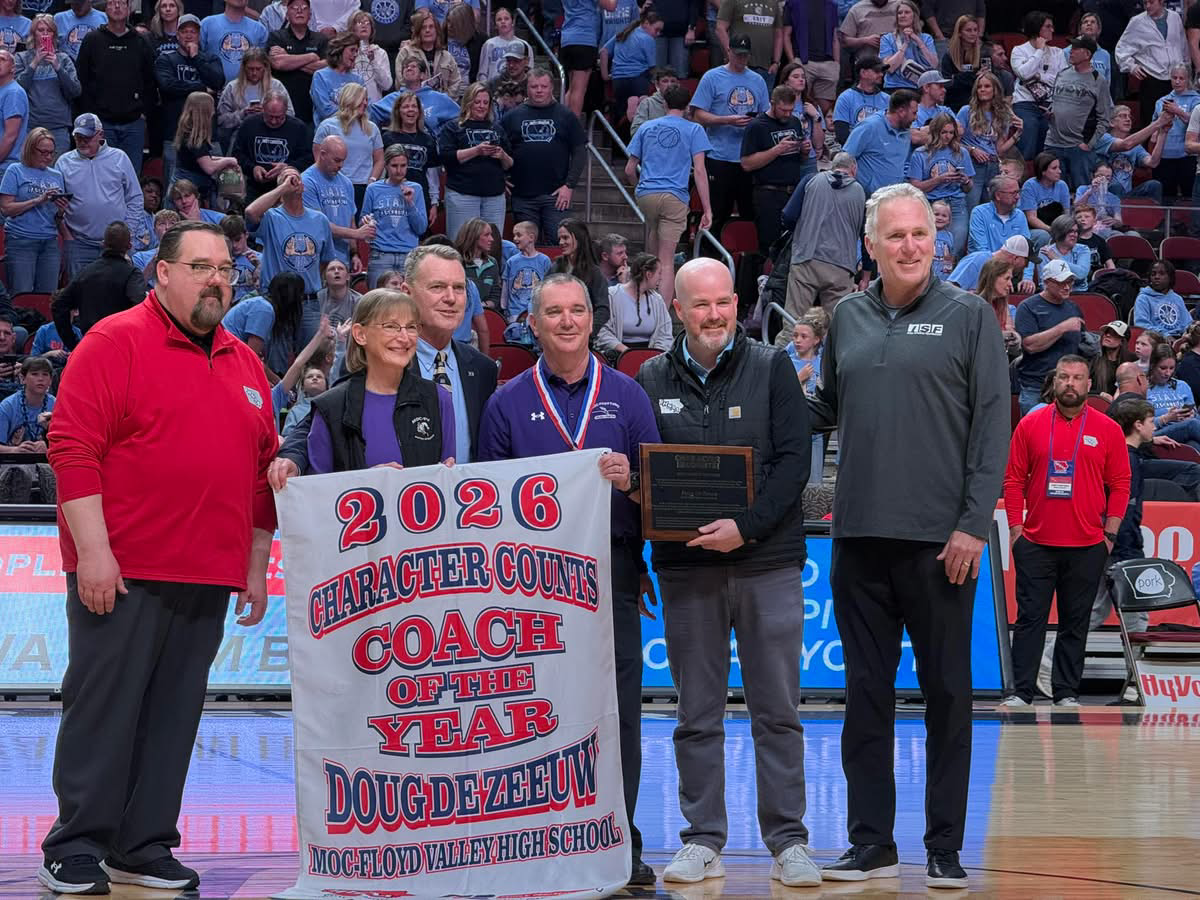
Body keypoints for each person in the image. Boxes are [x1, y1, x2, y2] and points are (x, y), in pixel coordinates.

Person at [38, 220, 278, 897]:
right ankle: (75, 844)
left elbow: (261, 474)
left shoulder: (245, 363)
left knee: (174, 716)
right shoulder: (114, 341)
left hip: (208, 571)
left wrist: (255, 565)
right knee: (104, 708)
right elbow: (72, 448)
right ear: (163, 273)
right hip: (124, 568)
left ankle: (141, 844)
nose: (216, 280)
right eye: (201, 267)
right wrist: (94, 553)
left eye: (225, 269)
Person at [807, 183, 1008, 889]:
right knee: (865, 697)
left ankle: (945, 847)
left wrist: (972, 526)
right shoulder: (848, 317)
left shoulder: (970, 316)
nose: (910, 245)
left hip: (941, 545)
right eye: (895, 235)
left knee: (948, 697)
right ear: (871, 246)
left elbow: (993, 427)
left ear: (936, 240)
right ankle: (871, 844)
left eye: (920, 233)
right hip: (858, 537)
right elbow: (824, 407)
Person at [633, 256, 816, 888]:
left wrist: (748, 526)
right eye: (700, 305)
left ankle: (788, 841)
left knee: (778, 711)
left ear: (737, 304)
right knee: (695, 714)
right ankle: (703, 839)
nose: (714, 315)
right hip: (687, 571)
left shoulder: (773, 367)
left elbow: (794, 465)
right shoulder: (650, 376)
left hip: (768, 563)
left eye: (723, 303)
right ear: (678, 310)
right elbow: (645, 470)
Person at [476, 271, 660, 887]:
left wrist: (631, 481)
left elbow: (657, 489)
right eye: (553, 312)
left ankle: (621, 840)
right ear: (532, 324)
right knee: (537, 713)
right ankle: (536, 841)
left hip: (613, 573)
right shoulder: (506, 401)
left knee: (619, 713)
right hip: (530, 586)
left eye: (577, 310)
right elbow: (487, 504)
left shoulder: (628, 395)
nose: (567, 321)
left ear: (592, 318)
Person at [273, 242, 497, 477]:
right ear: (407, 292)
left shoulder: (483, 368)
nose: (451, 298)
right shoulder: (377, 359)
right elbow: (329, 414)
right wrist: (293, 457)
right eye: (437, 287)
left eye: (459, 288)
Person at [1002, 354, 1131, 708]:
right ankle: (1021, 691)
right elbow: (1013, 480)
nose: (1070, 383)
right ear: (1054, 382)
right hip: (1036, 542)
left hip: (1088, 543)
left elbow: (1121, 484)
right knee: (1030, 619)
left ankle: (1066, 692)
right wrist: (1015, 530)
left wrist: (1109, 534)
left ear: (1089, 384)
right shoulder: (1031, 423)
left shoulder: (1108, 429)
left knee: (1075, 622)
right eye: (1064, 377)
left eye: (1077, 378)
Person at [303, 288, 455, 471]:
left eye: (411, 327)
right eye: (391, 326)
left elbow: (447, 478)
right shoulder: (330, 407)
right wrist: (368, 483)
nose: (404, 338)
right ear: (360, 334)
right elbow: (317, 485)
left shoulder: (438, 398)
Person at [626, 83, 712, 307]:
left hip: (647, 194)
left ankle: (642, 304)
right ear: (687, 106)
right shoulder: (695, 130)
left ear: (664, 103)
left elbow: (629, 169)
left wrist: (639, 189)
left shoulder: (646, 127)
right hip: (674, 196)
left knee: (652, 247)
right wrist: (707, 209)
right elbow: (700, 171)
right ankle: (661, 315)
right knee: (665, 262)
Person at [246, 165, 336, 347]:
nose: (292, 181)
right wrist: (283, 188)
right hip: (277, 300)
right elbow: (250, 212)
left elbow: (325, 260)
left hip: (308, 301)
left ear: (304, 186)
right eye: (286, 178)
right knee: (277, 357)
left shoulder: (320, 220)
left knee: (313, 357)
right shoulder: (271, 217)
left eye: (296, 177)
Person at [689, 33, 768, 237]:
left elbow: (765, 115)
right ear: (728, 51)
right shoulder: (712, 77)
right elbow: (697, 115)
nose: (741, 58)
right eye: (738, 54)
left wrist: (754, 122)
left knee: (750, 213)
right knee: (717, 213)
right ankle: (709, 251)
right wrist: (726, 120)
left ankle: (747, 255)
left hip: (748, 156)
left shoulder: (758, 80)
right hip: (719, 155)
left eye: (745, 55)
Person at [776, 151, 864, 331]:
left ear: (832, 166)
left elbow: (788, 216)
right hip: (842, 266)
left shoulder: (810, 180)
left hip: (807, 259)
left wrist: (802, 232)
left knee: (794, 324)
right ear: (854, 169)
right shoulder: (862, 192)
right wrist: (867, 273)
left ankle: (787, 349)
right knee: (835, 329)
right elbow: (866, 234)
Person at [501, 68, 586, 247]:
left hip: (556, 195)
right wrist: (500, 177)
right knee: (525, 247)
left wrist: (570, 185)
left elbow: (580, 151)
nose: (539, 90)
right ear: (527, 88)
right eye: (534, 86)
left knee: (560, 245)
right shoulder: (511, 117)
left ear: (552, 88)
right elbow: (498, 149)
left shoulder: (566, 116)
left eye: (543, 86)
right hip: (522, 195)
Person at [75, 0, 153, 174]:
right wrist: (91, 114)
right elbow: (82, 80)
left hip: (134, 123)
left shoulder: (141, 41)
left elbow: (150, 81)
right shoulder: (92, 40)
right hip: (102, 124)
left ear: (129, 8)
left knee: (131, 176)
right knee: (102, 176)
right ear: (106, 8)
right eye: (112, 2)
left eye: (121, 3)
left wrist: (143, 113)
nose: (117, 7)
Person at [740, 85, 814, 254]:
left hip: (793, 191)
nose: (787, 114)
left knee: (793, 244)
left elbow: (801, 160)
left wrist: (804, 151)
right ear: (772, 104)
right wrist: (777, 150)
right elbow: (746, 164)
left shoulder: (795, 122)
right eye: (783, 110)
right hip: (768, 193)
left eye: (791, 110)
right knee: (770, 245)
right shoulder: (757, 126)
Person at [51, 221, 148, 348]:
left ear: (103, 244)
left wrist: (72, 343)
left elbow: (59, 305)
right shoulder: (132, 274)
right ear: (129, 246)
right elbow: (140, 308)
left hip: (91, 344)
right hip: (121, 344)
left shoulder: (85, 272)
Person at [155, 14, 225, 183]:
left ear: (199, 35)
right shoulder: (166, 59)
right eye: (184, 31)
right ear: (177, 35)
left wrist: (196, 57)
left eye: (193, 32)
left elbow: (217, 82)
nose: (188, 35)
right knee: (175, 187)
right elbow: (167, 86)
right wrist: (201, 88)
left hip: (209, 137)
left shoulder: (210, 59)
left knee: (217, 186)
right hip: (175, 136)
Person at [437, 82, 512, 241]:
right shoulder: (453, 127)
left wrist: (502, 155)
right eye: (477, 102)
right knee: (461, 242)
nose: (481, 106)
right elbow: (446, 157)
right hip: (462, 194)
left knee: (492, 244)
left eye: (485, 102)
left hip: (494, 196)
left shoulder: (497, 129)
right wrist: (476, 151)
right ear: (468, 102)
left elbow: (510, 164)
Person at [0, 128, 69, 292]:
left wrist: (61, 210)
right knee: (21, 294)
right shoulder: (15, 170)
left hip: (50, 241)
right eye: (43, 152)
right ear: (30, 149)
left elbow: (57, 217)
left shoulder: (56, 175)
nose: (48, 157)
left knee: (48, 296)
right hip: (21, 240)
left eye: (51, 153)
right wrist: (38, 200)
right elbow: (6, 209)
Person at [1014, 258, 1086, 415]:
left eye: (1070, 282)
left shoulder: (1073, 308)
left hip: (1067, 386)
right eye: (1061, 282)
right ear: (1047, 282)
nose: (1067, 287)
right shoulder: (1028, 307)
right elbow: (1030, 345)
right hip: (1036, 386)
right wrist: (1062, 328)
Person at [1045, 36, 1113, 192]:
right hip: (1053, 143)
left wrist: (1089, 144)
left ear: (1087, 54)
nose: (1071, 51)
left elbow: (1104, 118)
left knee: (1082, 191)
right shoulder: (1062, 73)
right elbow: (1055, 102)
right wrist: (1050, 112)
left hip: (1078, 146)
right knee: (1053, 191)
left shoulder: (1098, 80)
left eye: (1076, 49)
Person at [302, 134, 373, 270]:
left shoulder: (346, 183)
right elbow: (318, 224)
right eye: (337, 160)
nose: (341, 165)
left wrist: (354, 253)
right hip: (318, 259)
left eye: (343, 161)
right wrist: (357, 234)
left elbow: (350, 221)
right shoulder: (307, 182)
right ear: (323, 155)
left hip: (343, 259)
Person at [360, 144, 427, 285]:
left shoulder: (416, 189)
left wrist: (410, 203)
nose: (399, 170)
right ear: (386, 166)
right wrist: (365, 221)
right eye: (394, 166)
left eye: (403, 166)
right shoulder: (373, 189)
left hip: (408, 255)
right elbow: (362, 221)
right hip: (381, 254)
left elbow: (421, 228)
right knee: (378, 298)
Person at [906, 110, 972, 254]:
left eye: (951, 132)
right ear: (935, 132)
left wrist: (965, 180)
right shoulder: (920, 154)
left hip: (956, 204)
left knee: (954, 250)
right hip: (930, 204)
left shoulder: (962, 153)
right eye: (944, 132)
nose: (948, 136)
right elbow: (915, 187)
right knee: (930, 250)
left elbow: (969, 188)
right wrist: (939, 180)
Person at [14, 15, 81, 157]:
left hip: (58, 127)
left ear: (54, 35)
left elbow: (75, 91)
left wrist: (58, 67)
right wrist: (34, 63)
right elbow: (16, 91)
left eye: (49, 30)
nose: (45, 33)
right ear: (33, 34)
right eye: (40, 30)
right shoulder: (21, 58)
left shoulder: (63, 58)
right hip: (30, 127)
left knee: (56, 168)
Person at [1115, 0, 1187, 129]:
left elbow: (1183, 45)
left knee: (1177, 121)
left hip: (1175, 78)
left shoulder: (1175, 17)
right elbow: (1121, 49)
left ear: (1161, 2)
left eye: (1151, 2)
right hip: (1152, 77)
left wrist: (1186, 68)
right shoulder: (1137, 22)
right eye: (1145, 3)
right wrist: (1132, 66)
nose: (1147, 6)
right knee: (1151, 122)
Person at [231, 89, 313, 201]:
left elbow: (309, 159)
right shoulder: (249, 124)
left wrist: (288, 167)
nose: (274, 121)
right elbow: (237, 154)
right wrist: (252, 168)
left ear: (285, 111)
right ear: (263, 109)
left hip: (287, 188)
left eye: (279, 117)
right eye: (270, 116)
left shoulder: (298, 128)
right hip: (255, 188)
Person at [956, 70, 1018, 212]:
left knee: (991, 211)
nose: (982, 89)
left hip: (993, 165)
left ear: (995, 90)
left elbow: (999, 150)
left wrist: (1017, 134)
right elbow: (953, 142)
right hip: (973, 166)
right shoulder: (966, 111)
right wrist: (972, 150)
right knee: (972, 208)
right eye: (979, 87)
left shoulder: (1002, 115)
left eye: (987, 86)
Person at [314, 81, 383, 208]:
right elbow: (318, 159)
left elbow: (379, 159)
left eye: (366, 99)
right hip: (334, 187)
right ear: (350, 99)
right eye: (362, 99)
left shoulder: (372, 128)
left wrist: (372, 180)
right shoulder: (327, 126)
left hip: (363, 188)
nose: (365, 103)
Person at [843, 88, 919, 197]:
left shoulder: (906, 132)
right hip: (867, 198)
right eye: (914, 113)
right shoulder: (869, 127)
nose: (916, 118)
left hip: (893, 198)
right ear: (901, 111)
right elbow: (845, 158)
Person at [1011, 11, 1066, 160]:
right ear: (1037, 28)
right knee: (1028, 137)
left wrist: (1040, 76)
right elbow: (1024, 73)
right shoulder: (1019, 50)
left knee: (1047, 151)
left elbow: (1062, 81)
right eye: (1048, 26)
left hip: (1049, 105)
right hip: (1025, 104)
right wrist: (1040, 51)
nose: (1052, 30)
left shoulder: (1058, 52)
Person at [266, 0, 329, 129]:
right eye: (294, 8)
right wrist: (311, 57)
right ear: (287, 15)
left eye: (304, 8)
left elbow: (325, 67)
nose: (299, 11)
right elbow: (278, 63)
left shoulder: (321, 39)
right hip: (282, 109)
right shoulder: (276, 36)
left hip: (312, 109)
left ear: (310, 15)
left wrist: (288, 57)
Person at [597, 251, 672, 361]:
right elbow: (602, 331)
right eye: (659, 273)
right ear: (649, 275)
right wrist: (627, 353)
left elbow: (665, 334)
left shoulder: (657, 300)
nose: (660, 278)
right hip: (619, 356)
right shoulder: (612, 295)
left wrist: (654, 357)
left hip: (651, 358)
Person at [380, 89, 440, 219]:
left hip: (420, 196)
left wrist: (434, 202)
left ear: (419, 111)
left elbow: (432, 174)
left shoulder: (428, 140)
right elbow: (381, 170)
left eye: (414, 106)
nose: (410, 110)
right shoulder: (388, 138)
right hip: (392, 196)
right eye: (406, 106)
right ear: (398, 111)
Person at [172, 92, 242, 203]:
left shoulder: (190, 133)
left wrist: (226, 160)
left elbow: (204, 159)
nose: (214, 112)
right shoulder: (194, 138)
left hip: (191, 187)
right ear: (204, 112)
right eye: (212, 108)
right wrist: (229, 160)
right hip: (185, 193)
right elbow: (209, 167)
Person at [218, 46, 296, 143]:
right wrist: (243, 113)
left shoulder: (276, 86)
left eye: (258, 69)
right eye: (250, 69)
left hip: (273, 136)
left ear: (265, 67)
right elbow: (221, 121)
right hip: (241, 137)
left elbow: (291, 114)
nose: (254, 73)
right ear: (244, 68)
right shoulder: (232, 87)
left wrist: (269, 114)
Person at [1150, 63, 1200, 206]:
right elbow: (1154, 125)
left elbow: (1197, 123)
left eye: (1181, 78)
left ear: (1188, 79)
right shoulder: (1161, 101)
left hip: (1187, 156)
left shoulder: (1196, 100)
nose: (1177, 81)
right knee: (1166, 198)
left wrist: (1178, 111)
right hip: (1165, 155)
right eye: (1174, 78)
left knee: (1189, 197)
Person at [1098, 104, 1170, 203]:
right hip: (1104, 195)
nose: (1128, 119)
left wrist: (1163, 133)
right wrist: (1158, 122)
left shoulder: (1135, 147)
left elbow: (1153, 163)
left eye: (1129, 117)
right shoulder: (1103, 138)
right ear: (1111, 122)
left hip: (1127, 194)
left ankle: (1153, 213)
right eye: (1123, 116)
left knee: (1154, 185)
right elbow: (1126, 144)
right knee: (1116, 186)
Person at [552, 218, 611, 339]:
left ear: (579, 238)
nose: (561, 242)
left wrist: (588, 332)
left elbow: (603, 309)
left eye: (565, 238)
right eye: (559, 238)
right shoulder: (555, 267)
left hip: (582, 336)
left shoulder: (594, 272)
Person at [560, 0, 618, 116]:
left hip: (567, 39)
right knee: (579, 89)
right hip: (584, 39)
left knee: (572, 89)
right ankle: (573, 125)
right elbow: (611, 6)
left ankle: (564, 121)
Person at [780, 0, 838, 116]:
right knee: (798, 102)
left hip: (828, 63)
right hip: (802, 61)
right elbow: (786, 34)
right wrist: (793, 62)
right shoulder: (793, 3)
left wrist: (837, 64)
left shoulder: (831, 5)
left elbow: (835, 37)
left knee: (824, 110)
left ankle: (818, 125)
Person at [500, 220, 552, 336]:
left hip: (537, 313)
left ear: (531, 238)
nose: (515, 239)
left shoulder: (544, 260)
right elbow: (505, 287)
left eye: (519, 235)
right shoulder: (512, 261)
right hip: (514, 314)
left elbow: (549, 287)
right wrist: (504, 308)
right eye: (514, 235)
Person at [395, 8, 460, 98]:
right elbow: (400, 82)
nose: (427, 30)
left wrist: (444, 99)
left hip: (441, 103)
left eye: (431, 27)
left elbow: (456, 82)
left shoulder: (446, 56)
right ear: (418, 31)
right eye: (423, 27)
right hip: (413, 101)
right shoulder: (406, 53)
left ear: (437, 30)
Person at [201, 0, 269, 82]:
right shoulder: (207, 24)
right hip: (212, 87)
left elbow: (263, 64)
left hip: (249, 87)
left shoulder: (260, 29)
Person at [948, 234, 1035, 297]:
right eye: (1026, 261)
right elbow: (948, 289)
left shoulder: (1007, 275)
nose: (1026, 266)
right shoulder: (976, 260)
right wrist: (970, 297)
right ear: (1015, 258)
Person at [967, 174, 1035, 254]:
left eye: (1018, 192)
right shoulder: (979, 213)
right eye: (1013, 193)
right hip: (986, 260)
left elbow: (1025, 248)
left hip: (1013, 260)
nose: (1018, 197)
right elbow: (982, 250)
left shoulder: (1019, 215)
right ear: (998, 195)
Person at [879, 0, 937, 91]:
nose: (902, 15)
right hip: (895, 87)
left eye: (907, 12)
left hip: (921, 87)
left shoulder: (926, 38)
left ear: (914, 16)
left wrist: (918, 41)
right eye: (899, 13)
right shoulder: (887, 39)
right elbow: (889, 68)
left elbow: (933, 64)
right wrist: (905, 44)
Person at [832, 54, 889, 145]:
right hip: (853, 149)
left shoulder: (887, 99)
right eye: (877, 71)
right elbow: (841, 134)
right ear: (863, 73)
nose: (881, 74)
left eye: (882, 71)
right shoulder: (845, 98)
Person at [309, 31, 363, 124]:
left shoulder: (358, 79)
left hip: (354, 129)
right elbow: (326, 110)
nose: (355, 55)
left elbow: (366, 109)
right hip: (329, 129)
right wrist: (354, 111)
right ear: (339, 50)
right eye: (352, 50)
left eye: (356, 51)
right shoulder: (320, 76)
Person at [975, 255, 1022, 355]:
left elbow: (1009, 329)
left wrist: (1015, 337)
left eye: (1011, 279)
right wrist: (1000, 336)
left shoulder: (1003, 304)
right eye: (1007, 278)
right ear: (992, 278)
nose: (1010, 284)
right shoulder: (974, 305)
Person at [1134, 258, 1190, 336]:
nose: (1156, 277)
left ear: (1170, 278)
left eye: (1161, 274)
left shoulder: (1177, 298)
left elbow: (1187, 324)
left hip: (1179, 337)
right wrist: (1164, 335)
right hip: (1155, 338)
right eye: (1153, 274)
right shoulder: (1143, 298)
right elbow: (1141, 325)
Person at [453, 215, 499, 310]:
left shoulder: (492, 263)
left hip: (486, 311)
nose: (492, 239)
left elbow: (495, 295)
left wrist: (483, 306)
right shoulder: (456, 262)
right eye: (486, 235)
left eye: (491, 234)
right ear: (473, 237)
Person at [478, 6, 532, 84]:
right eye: (499, 19)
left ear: (513, 22)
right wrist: (485, 88)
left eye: (506, 19)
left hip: (518, 88)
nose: (503, 22)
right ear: (495, 25)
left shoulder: (524, 45)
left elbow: (530, 71)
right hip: (493, 87)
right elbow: (482, 73)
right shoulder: (489, 44)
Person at [347, 10, 392, 102]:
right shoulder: (346, 52)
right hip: (351, 104)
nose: (364, 26)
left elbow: (386, 85)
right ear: (352, 28)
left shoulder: (380, 53)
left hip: (374, 105)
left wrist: (373, 61)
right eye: (360, 23)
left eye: (367, 23)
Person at [939, 14, 981, 111]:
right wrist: (973, 77)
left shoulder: (982, 54)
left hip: (977, 103)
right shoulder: (949, 56)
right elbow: (948, 85)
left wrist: (958, 77)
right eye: (968, 30)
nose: (973, 33)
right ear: (959, 33)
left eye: (975, 30)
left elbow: (987, 80)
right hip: (955, 104)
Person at [1038, 214, 1091, 290]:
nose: (1074, 235)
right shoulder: (1045, 252)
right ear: (1060, 232)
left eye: (1076, 231)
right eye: (1070, 231)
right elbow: (1044, 282)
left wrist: (1057, 259)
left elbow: (1081, 274)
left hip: (1080, 293)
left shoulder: (1083, 249)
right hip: (1053, 294)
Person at [840, 0, 900, 65]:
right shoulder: (857, 9)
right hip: (867, 64)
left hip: (895, 63)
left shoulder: (898, 5)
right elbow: (844, 41)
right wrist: (865, 40)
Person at [1090, 320, 1135, 398]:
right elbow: (1083, 387)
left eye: (1114, 333)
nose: (1107, 335)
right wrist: (1100, 394)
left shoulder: (1131, 362)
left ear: (1122, 341)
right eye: (1106, 332)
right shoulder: (1093, 359)